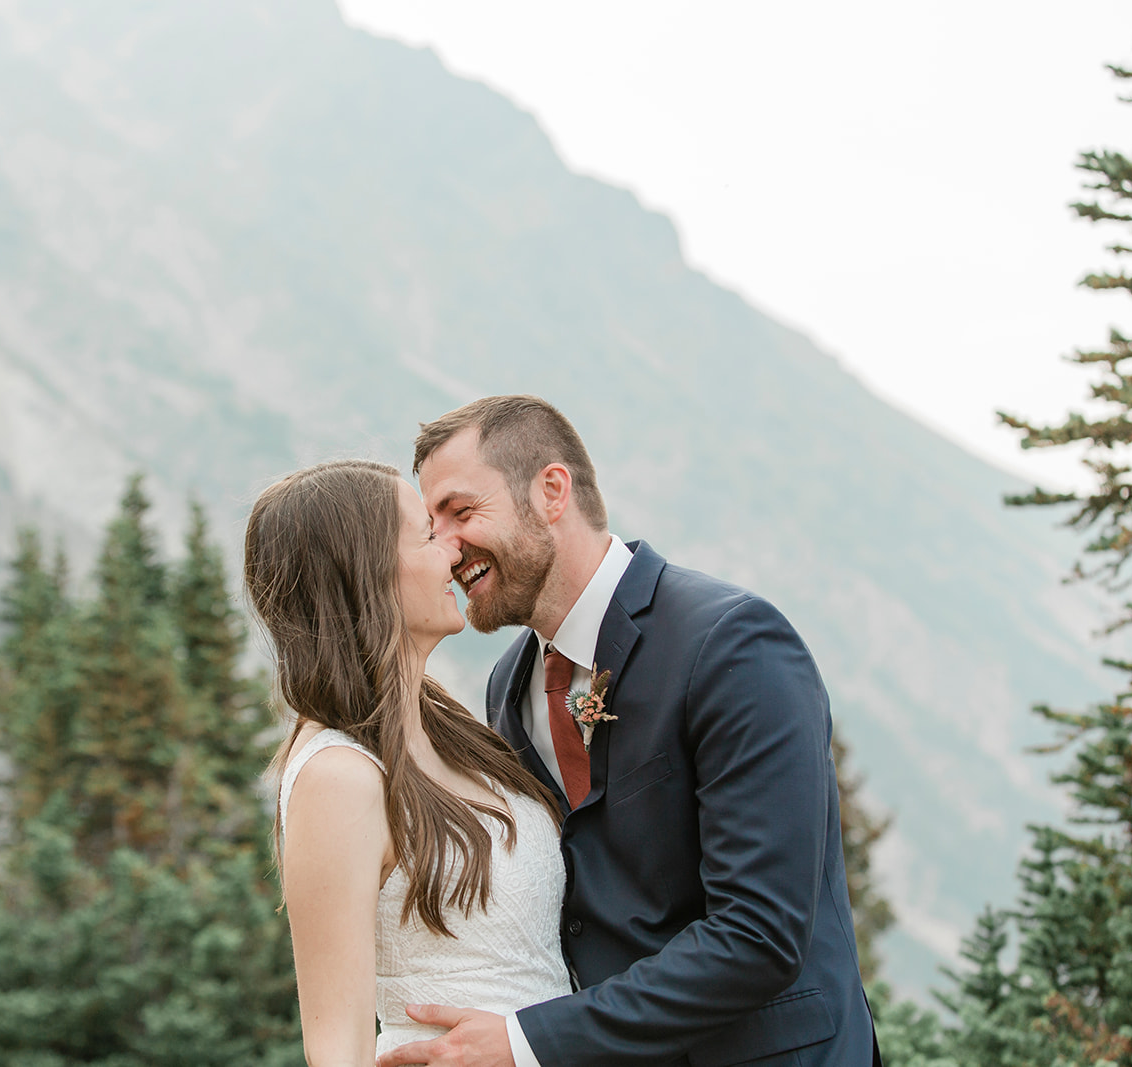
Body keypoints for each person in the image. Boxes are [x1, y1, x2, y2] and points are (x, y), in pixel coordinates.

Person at [377, 395, 879, 1067]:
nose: (446, 546)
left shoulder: (732, 644)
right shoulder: (509, 684)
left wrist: (527, 1043)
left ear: (552, 490)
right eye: (432, 523)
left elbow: (759, 935)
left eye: (462, 512)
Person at [243, 459, 572, 1066]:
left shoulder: (454, 729)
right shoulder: (337, 775)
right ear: (367, 575)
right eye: (426, 533)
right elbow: (335, 1047)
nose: (453, 550)